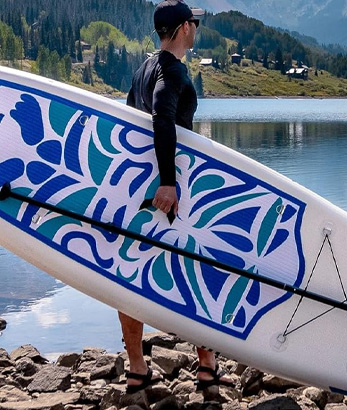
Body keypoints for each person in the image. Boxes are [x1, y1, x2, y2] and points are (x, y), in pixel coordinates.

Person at [121, 0, 234, 394]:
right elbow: (162, 119)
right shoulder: (171, 71)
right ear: (185, 27)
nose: (196, 31)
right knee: (196, 267)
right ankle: (206, 367)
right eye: (195, 25)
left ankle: (137, 369)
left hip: (136, 191)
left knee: (130, 272)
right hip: (170, 194)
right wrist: (168, 181)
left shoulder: (142, 69)